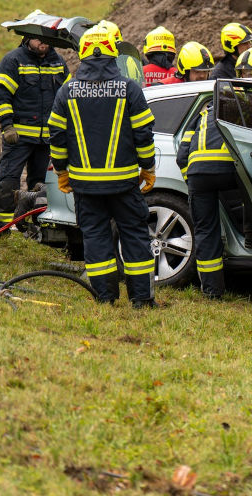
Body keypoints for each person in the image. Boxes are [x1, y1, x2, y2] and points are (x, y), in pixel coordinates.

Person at [48, 23, 158, 305]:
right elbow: (143, 134)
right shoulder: (130, 89)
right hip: (124, 183)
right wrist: (148, 167)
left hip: (85, 185)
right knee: (134, 237)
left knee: (95, 238)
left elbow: (56, 137)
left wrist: (62, 172)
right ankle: (141, 300)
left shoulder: (67, 91)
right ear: (113, 54)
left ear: (82, 54)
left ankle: (105, 298)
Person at [0, 26, 69, 234]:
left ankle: (34, 226)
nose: (44, 44)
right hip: (19, 137)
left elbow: (67, 97)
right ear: (27, 38)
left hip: (47, 139)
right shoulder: (14, 60)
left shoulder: (58, 62)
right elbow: (1, 95)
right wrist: (7, 126)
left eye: (47, 40)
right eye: (39, 40)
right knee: (8, 181)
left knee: (42, 185)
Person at [175, 92, 237, 298]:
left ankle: (212, 291)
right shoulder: (236, 114)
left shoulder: (199, 118)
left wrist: (190, 183)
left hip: (198, 175)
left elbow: (182, 157)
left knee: (206, 231)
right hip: (227, 172)